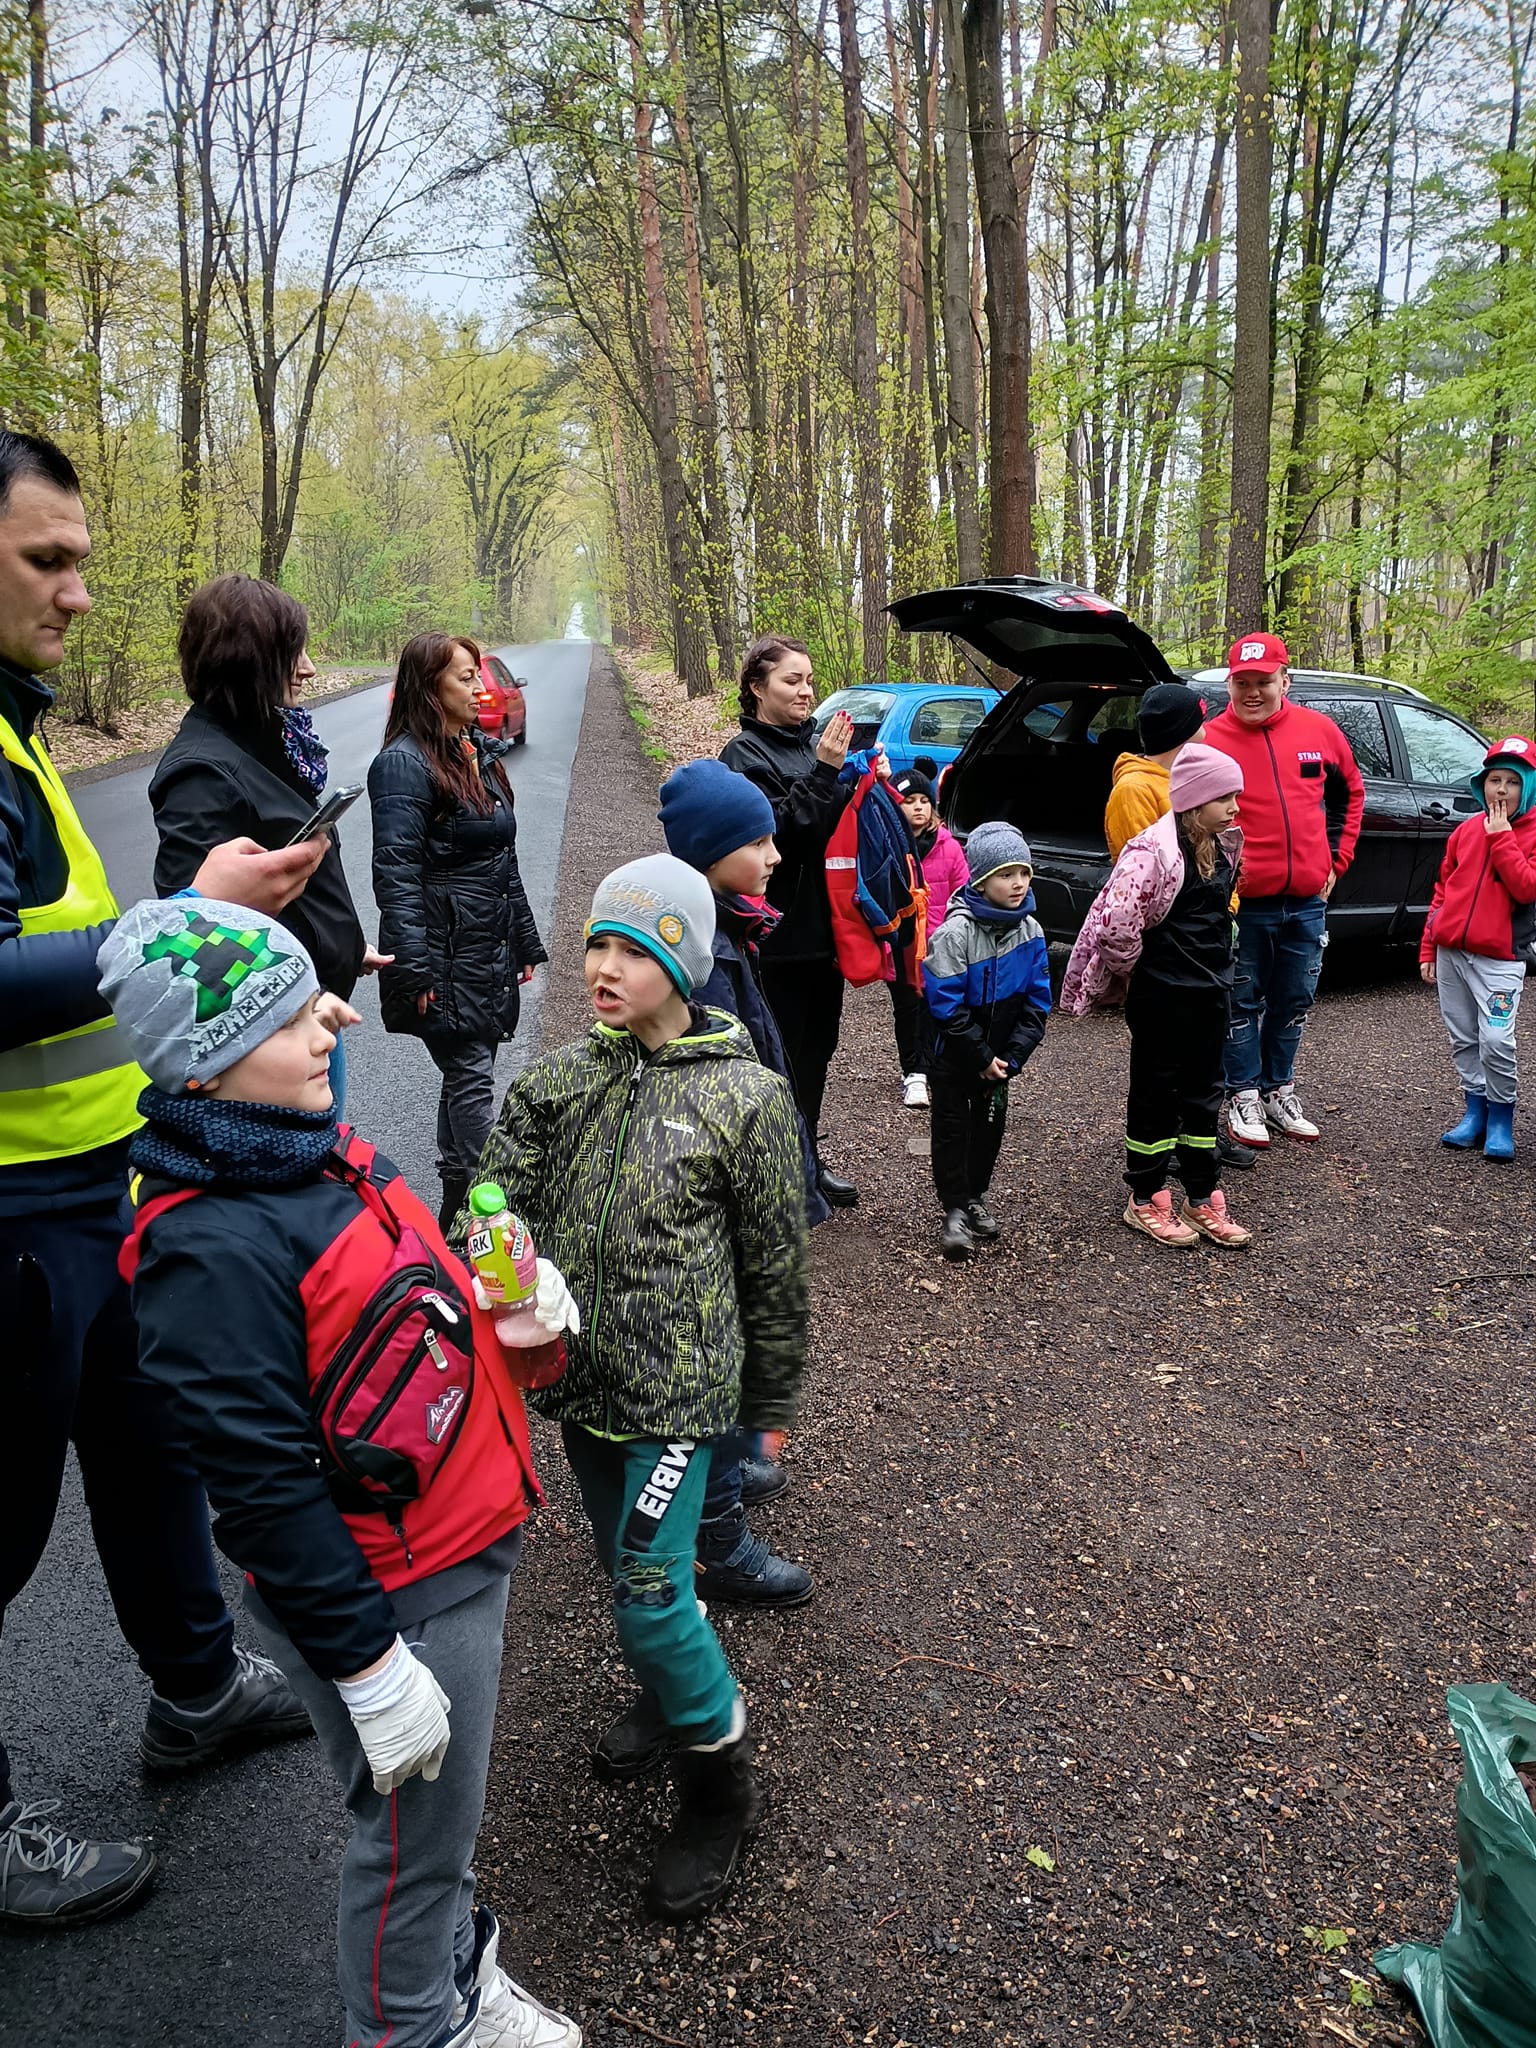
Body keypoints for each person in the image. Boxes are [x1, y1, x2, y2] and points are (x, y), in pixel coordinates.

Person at [102, 896, 582, 2048]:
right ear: (205, 1068)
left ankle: (457, 1971)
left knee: (440, 1821)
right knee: (416, 1837)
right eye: (282, 1012)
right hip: (394, 1588)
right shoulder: (207, 1244)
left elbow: (385, 1334)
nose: (330, 1020)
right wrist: (366, 1663)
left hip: (452, 1543)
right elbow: (258, 1481)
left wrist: (509, 1315)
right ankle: (414, 2024)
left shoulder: (306, 1153)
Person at [0, 430, 326, 1930]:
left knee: (151, 1447)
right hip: (10, 1208)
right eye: (45, 561)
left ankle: (195, 1688)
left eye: (80, 561)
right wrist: (178, 919)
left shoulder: (16, 735)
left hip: (90, 1181)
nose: (77, 594)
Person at [463, 855, 809, 1919]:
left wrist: (772, 1402)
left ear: (684, 965)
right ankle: (670, 1699)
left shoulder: (744, 1097)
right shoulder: (560, 1078)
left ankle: (720, 1786)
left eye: (636, 950)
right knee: (631, 1570)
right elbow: (490, 1191)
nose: (605, 968)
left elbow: (774, 1262)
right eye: (598, 945)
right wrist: (491, 1235)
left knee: (652, 1592)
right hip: (582, 1384)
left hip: (681, 1399)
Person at [658, 757, 818, 1611]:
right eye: (757, 840)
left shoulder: (725, 928)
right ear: (709, 852)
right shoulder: (703, 961)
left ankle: (720, 1477)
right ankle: (715, 1539)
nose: (775, 854)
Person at [148, 573, 385, 1118]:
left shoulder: (265, 741)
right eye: (292, 655)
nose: (309, 670)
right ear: (247, 661)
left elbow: (278, 889)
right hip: (273, 1035)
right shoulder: (202, 772)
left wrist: (343, 945)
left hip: (308, 1003)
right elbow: (196, 926)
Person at [370, 633, 546, 1227]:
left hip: (484, 944)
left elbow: (503, 856)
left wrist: (522, 937)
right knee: (471, 1075)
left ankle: (456, 1212)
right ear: (429, 689)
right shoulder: (402, 763)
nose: (480, 688)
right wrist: (412, 966)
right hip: (443, 951)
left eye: (478, 675)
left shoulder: (475, 751)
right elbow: (395, 873)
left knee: (469, 1071)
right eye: (465, 678)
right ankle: (493, 1218)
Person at [1062, 745, 1253, 1248]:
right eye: (1225, 796)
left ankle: (1201, 1191)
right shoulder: (1153, 853)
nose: (1235, 805)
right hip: (1163, 995)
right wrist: (1140, 976)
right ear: (1195, 799)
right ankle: (1146, 1196)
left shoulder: (1226, 845)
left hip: (1211, 991)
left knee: (1205, 1090)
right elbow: (1116, 927)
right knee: (1156, 1093)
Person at [1204, 633, 1364, 1150]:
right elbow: (1187, 816)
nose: (1253, 692)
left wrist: (1337, 859)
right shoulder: (1208, 740)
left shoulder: (1320, 731)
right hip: (1244, 903)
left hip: (1307, 901)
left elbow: (1350, 794)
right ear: (1230, 684)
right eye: (1243, 683)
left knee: (1294, 998)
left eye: (1264, 682)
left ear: (1284, 681)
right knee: (1242, 1000)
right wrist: (1215, 878)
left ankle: (1279, 1089)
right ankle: (1243, 1093)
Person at [720, 635, 858, 1206]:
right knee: (773, 1058)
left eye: (808, 681)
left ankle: (805, 1160)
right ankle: (769, 1176)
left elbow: (836, 830)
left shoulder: (813, 746)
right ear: (757, 688)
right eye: (791, 681)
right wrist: (827, 773)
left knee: (815, 1053)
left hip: (826, 932)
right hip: (776, 936)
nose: (806, 692)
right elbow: (784, 838)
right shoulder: (744, 757)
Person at [923, 822, 1052, 1261]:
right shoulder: (954, 935)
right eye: (1005, 874)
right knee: (952, 1131)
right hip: (954, 1059)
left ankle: (976, 1194)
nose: (1018, 883)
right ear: (980, 879)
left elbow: (1038, 1004)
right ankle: (954, 1207)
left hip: (999, 1063)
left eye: (1024, 873)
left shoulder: (1031, 932)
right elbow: (945, 1008)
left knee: (989, 1132)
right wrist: (979, 1055)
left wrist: (1010, 1059)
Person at [1420, 737, 1536, 1163]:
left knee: (1496, 1039)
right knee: (1464, 1037)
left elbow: (1526, 888)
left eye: (1512, 781)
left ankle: (1502, 1116)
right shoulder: (1465, 831)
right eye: (1493, 780)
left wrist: (1503, 838)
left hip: (1500, 957)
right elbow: (1442, 892)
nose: (1501, 791)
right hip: (1451, 951)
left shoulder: (1528, 832)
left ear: (1529, 786)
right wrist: (1429, 946)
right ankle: (1477, 1112)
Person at [888, 767, 967, 1109]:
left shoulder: (949, 847)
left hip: (940, 944)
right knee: (907, 1007)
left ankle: (929, 1065)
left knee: (936, 1006)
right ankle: (913, 1072)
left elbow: (962, 891)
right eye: (909, 801)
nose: (918, 807)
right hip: (902, 943)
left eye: (924, 801)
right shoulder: (887, 845)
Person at [1104, 682, 1207, 862]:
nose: (1205, 731)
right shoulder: (1133, 790)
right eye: (1200, 723)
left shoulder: (1188, 776)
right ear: (1182, 732)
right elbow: (1144, 868)